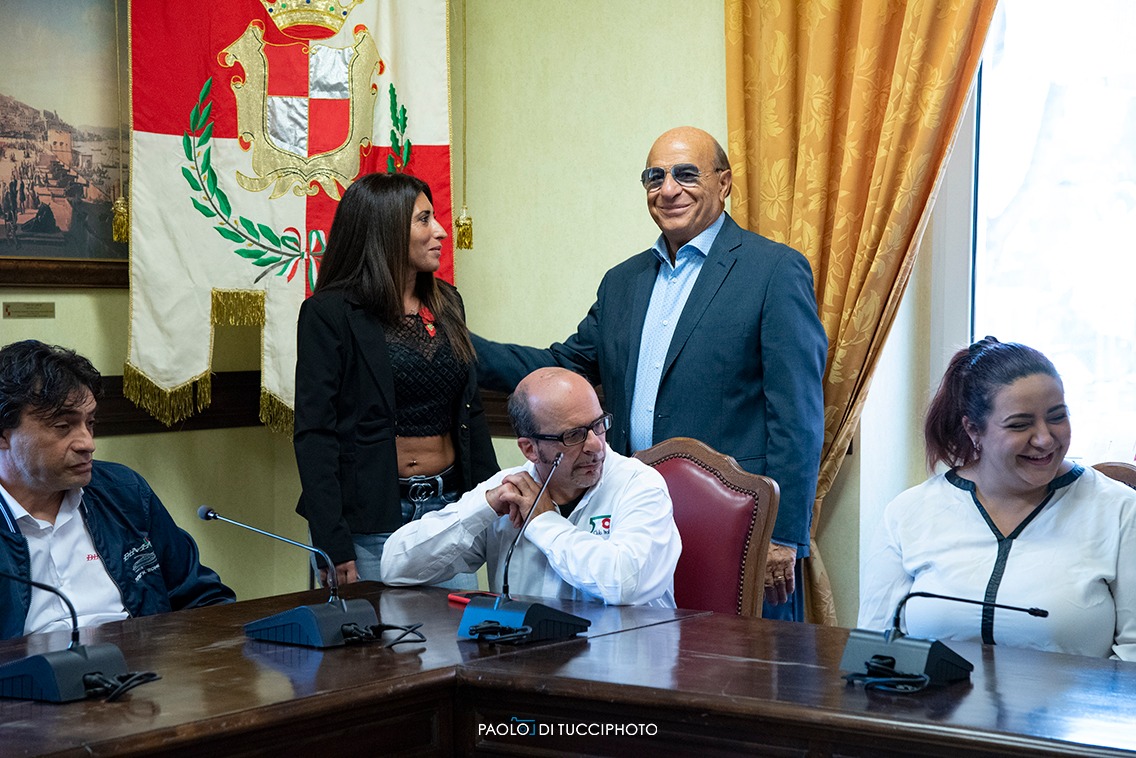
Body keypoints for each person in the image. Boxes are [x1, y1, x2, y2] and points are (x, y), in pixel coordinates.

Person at [471, 126, 826, 620]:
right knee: (640, 656)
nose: (668, 189)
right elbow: (563, 366)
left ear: (724, 183)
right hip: (632, 521)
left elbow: (798, 415)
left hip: (736, 528)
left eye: (686, 174)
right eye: (654, 177)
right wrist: (461, 347)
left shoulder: (774, 271)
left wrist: (782, 535)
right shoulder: (622, 282)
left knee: (740, 663)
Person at [858, 337, 1136, 660]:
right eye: (1020, 424)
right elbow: (874, 649)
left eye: (1057, 417)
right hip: (929, 695)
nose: (1045, 439)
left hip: (1077, 696)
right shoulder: (909, 513)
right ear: (973, 430)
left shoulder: (1120, 512)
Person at [294, 172, 498, 589]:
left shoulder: (448, 302)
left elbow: (471, 411)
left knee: (458, 631)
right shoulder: (329, 314)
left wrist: (491, 500)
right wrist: (332, 540)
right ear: (385, 230)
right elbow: (315, 434)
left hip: (448, 513)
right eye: (424, 219)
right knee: (375, 634)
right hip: (371, 523)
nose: (440, 231)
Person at [380, 367, 681, 607]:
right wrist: (482, 508)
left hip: (624, 658)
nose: (595, 446)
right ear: (529, 449)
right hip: (526, 658)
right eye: (573, 435)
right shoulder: (509, 488)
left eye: (598, 425)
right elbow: (395, 567)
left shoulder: (640, 485)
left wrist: (542, 522)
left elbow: (624, 583)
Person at [0, 340, 235, 640]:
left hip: (138, 663)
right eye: (63, 427)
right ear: (3, 435)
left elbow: (203, 598)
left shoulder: (124, 492)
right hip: (27, 669)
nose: (88, 443)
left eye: (90, 423)